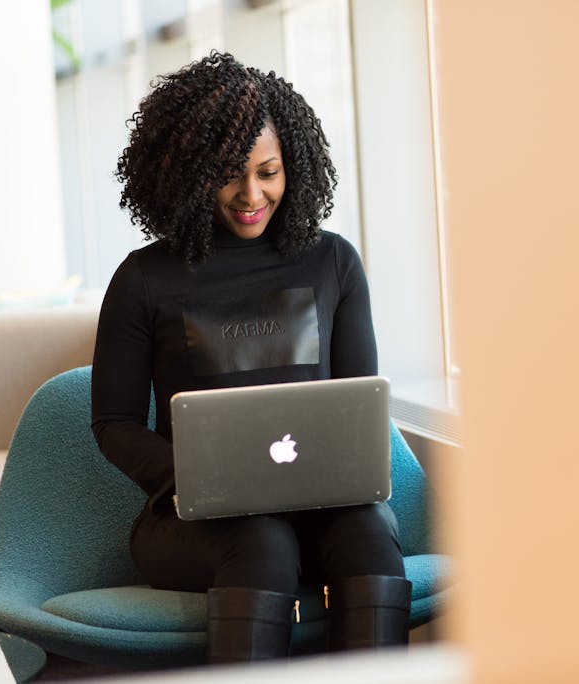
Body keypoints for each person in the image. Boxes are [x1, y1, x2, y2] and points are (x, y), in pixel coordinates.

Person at [91, 51, 411, 664]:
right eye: (229, 174)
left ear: (295, 165)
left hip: (324, 509)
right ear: (186, 173)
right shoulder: (142, 280)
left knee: (370, 536)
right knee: (263, 541)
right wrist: (206, 480)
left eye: (269, 172)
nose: (250, 194)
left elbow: (357, 406)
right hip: (197, 522)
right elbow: (115, 426)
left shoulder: (334, 262)